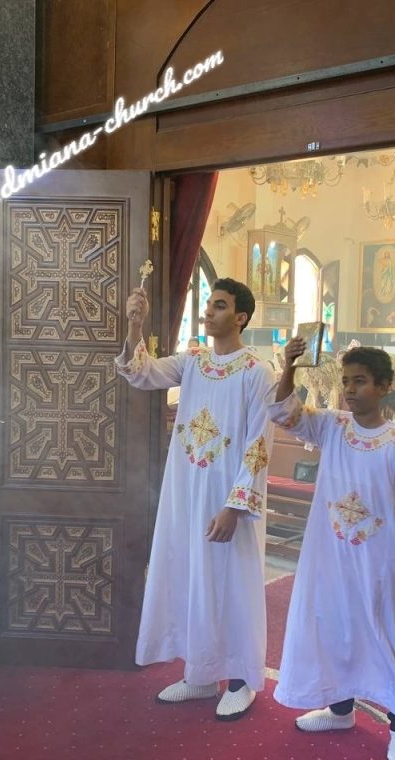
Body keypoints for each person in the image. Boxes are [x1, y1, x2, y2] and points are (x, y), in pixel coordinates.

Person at [115, 278, 276, 721]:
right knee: (190, 576)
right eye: (208, 304)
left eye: (219, 305)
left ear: (240, 317)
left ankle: (240, 680)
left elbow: (259, 446)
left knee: (233, 584)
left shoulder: (257, 372)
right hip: (186, 489)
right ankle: (201, 675)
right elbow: (140, 373)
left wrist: (235, 506)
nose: (208, 311)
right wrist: (135, 326)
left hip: (229, 498)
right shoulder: (194, 363)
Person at [269, 341, 395, 760]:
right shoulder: (332, 426)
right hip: (330, 557)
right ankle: (340, 710)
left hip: (381, 563)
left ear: (384, 386)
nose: (350, 390)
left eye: (360, 381)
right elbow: (283, 413)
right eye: (346, 382)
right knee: (336, 631)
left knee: (389, 637)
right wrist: (289, 367)